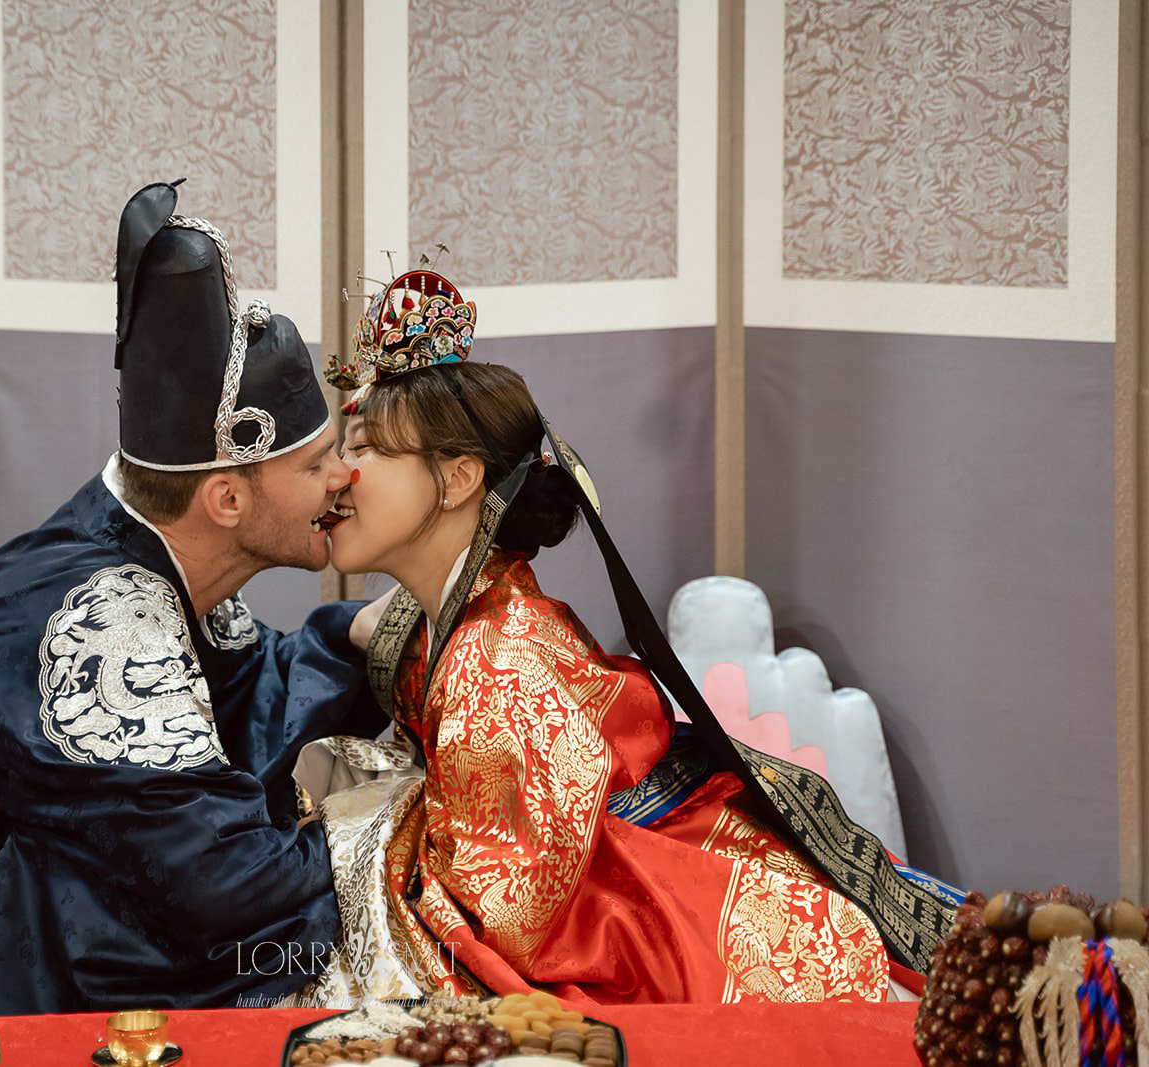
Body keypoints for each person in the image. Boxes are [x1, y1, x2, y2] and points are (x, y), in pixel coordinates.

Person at [0, 181, 389, 1013]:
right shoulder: (107, 621)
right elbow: (230, 885)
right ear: (225, 500)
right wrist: (404, 824)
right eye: (316, 464)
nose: (345, 480)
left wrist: (361, 634)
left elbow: (248, 692)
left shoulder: (146, 536)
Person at [293, 268, 960, 1008]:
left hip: (653, 909)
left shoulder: (497, 660)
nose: (337, 476)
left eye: (369, 449)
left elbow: (505, 910)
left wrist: (369, 817)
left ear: (456, 480)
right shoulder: (454, 620)